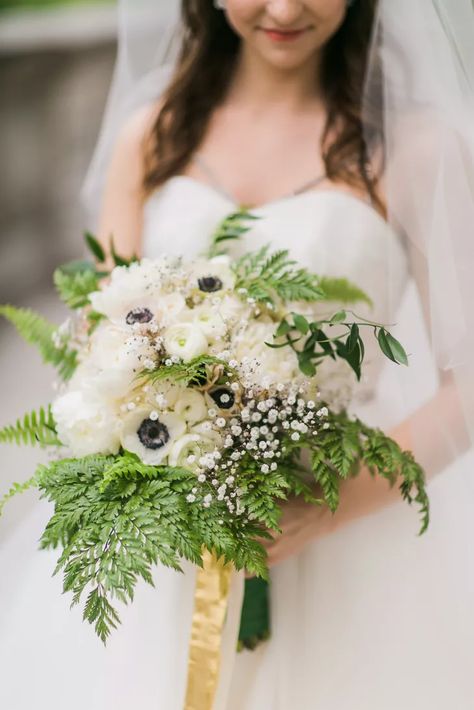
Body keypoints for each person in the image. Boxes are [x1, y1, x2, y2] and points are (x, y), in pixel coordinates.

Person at [1, 2, 473, 709]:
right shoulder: (152, 133)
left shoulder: (412, 147)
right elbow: (101, 340)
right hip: (158, 551)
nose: (284, 9)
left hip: (344, 541)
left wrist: (331, 506)